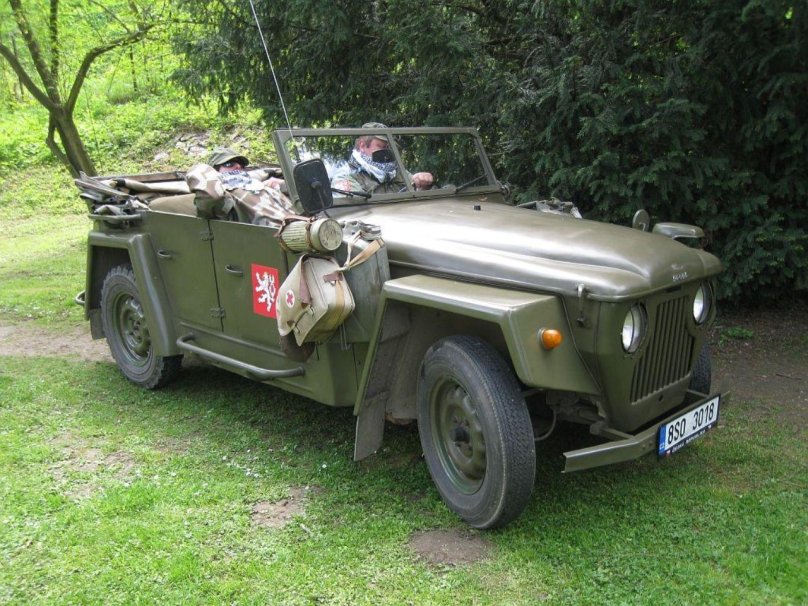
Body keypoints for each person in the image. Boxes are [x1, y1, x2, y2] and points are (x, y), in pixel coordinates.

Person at [187, 147, 295, 225]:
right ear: (215, 172)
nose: (238, 167)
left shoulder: (263, 187)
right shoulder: (226, 195)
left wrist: (280, 185)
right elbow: (210, 197)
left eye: (241, 165)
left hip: (303, 233)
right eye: (229, 164)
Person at [331, 122, 434, 195]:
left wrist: (423, 183)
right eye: (380, 147)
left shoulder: (394, 171)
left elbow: (415, 192)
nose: (385, 152)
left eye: (387, 147)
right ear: (362, 146)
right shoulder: (347, 175)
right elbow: (358, 211)